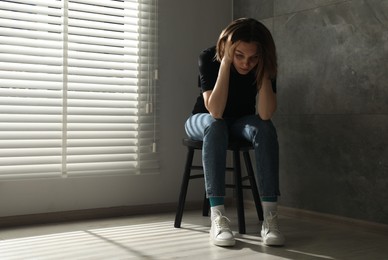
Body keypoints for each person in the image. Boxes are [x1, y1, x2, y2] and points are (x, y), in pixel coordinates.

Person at [184, 18, 285, 247]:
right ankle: (217, 217)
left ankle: (271, 218)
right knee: (216, 125)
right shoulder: (208, 58)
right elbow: (216, 111)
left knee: (265, 128)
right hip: (202, 119)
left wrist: (265, 73)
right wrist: (226, 62)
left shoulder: (263, 65)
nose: (246, 63)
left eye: (253, 57)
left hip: (240, 122)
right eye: (239, 55)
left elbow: (265, 114)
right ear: (228, 49)